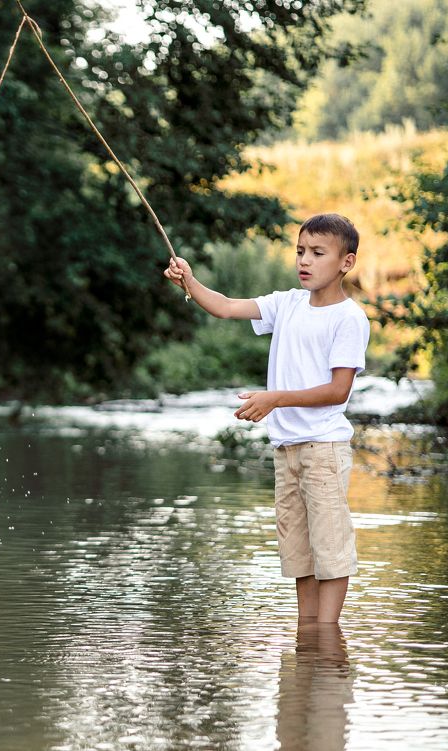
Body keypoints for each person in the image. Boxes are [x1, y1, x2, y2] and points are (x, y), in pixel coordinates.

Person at [164, 213, 370, 623]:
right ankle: (308, 632)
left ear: (346, 262)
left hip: (324, 450)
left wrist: (275, 399)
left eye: (317, 253)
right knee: (298, 554)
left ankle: (327, 634)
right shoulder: (287, 304)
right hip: (286, 450)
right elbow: (224, 307)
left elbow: (338, 391)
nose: (304, 261)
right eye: (300, 251)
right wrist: (189, 280)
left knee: (330, 551)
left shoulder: (349, 318)